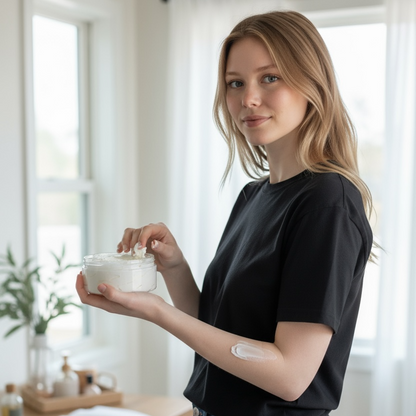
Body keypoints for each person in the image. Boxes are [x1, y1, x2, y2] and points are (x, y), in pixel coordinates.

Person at [76, 10, 374, 416]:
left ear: (312, 83)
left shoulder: (326, 203)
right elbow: (224, 333)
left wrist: (158, 312)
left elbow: (290, 376)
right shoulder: (254, 196)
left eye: (270, 77)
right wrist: (175, 269)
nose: (248, 98)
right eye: (236, 83)